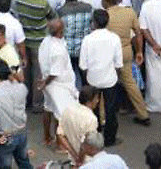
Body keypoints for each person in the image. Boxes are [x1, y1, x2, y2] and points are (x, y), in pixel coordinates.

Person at [79, 9, 123, 147]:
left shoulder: (87, 39)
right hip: (110, 79)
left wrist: (87, 79)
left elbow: (83, 65)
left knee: (94, 109)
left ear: (94, 23)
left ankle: (95, 136)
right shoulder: (114, 38)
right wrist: (116, 76)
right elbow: (118, 64)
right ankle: (110, 139)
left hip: (93, 80)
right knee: (111, 110)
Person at [0, 59, 33, 169]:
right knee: (24, 162)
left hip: (5, 136)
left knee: (3, 166)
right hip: (21, 132)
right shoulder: (21, 88)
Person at [38, 18, 79, 146]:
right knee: (61, 114)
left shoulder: (46, 41)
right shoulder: (58, 50)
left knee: (48, 108)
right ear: (60, 32)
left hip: (48, 81)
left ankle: (46, 137)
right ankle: (60, 145)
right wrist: (46, 82)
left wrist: (44, 81)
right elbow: (55, 73)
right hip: (58, 84)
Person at [56, 85, 100, 166]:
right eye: (96, 98)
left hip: (73, 158)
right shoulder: (91, 118)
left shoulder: (68, 109)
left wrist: (73, 154)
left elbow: (60, 134)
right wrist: (80, 159)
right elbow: (86, 144)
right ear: (89, 102)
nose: (97, 101)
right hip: (87, 161)